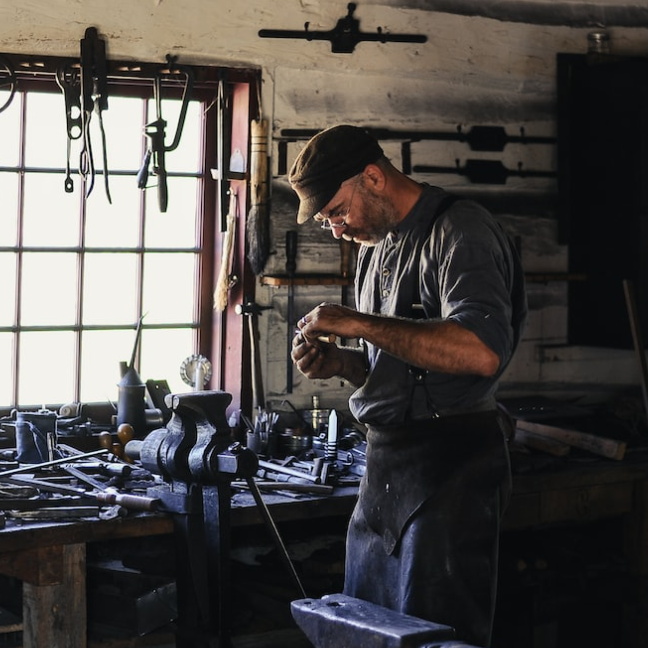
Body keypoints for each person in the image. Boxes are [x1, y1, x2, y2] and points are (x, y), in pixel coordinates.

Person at [288, 124, 527, 647]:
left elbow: (480, 351)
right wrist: (342, 363)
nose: (335, 230)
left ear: (372, 177)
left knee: (431, 638)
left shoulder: (459, 230)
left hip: (451, 470)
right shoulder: (376, 249)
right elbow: (399, 366)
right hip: (387, 472)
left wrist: (360, 322)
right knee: (366, 632)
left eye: (336, 211)